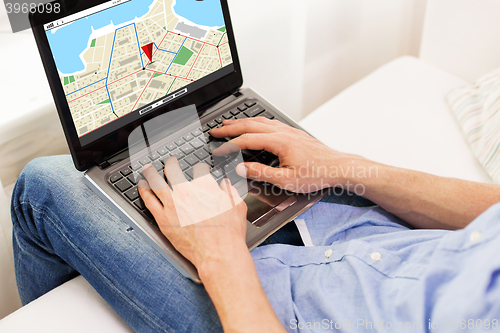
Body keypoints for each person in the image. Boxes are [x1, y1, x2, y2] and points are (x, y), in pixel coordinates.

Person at [11, 117, 500, 333]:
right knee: (233, 138)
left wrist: (220, 251)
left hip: (265, 314)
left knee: (44, 186)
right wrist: (345, 166)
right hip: (368, 238)